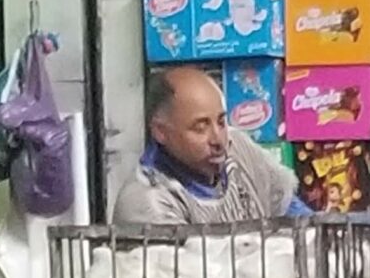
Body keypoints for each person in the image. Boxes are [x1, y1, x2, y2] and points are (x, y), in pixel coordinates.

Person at [112, 64, 306, 228]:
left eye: (221, 122)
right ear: (160, 132)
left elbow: (292, 209)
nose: (218, 140)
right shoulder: (147, 202)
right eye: (200, 128)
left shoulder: (237, 147)